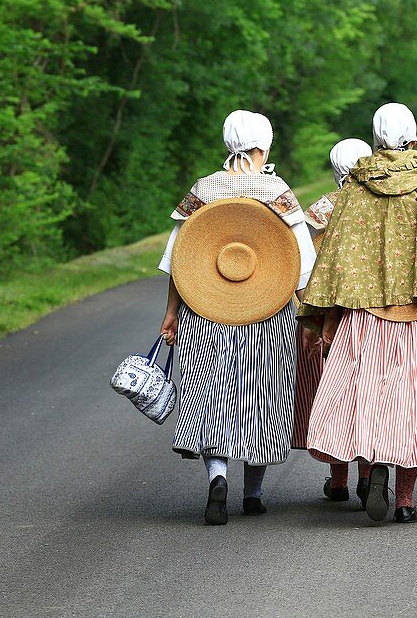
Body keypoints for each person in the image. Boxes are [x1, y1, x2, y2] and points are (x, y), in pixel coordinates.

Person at [299, 103, 417, 523]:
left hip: (365, 315)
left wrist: (326, 318)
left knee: (368, 396)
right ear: (414, 138)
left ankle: (372, 468)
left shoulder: (355, 189)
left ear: (375, 138)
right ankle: (404, 500)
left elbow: (335, 260)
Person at [158, 109, 316, 525]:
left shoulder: (204, 189)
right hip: (266, 310)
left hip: (206, 307)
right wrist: (309, 313)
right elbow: (301, 261)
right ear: (263, 145)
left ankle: (217, 474)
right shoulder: (276, 191)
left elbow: (179, 258)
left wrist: (171, 314)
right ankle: (254, 492)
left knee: (210, 392)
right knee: (262, 394)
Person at [296, 138, 373, 504]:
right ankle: (368, 473)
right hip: (369, 311)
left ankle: (338, 478)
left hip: (329, 310)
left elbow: (308, 266)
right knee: (369, 392)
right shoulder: (377, 204)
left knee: (333, 395)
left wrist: (310, 317)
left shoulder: (323, 209)